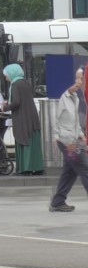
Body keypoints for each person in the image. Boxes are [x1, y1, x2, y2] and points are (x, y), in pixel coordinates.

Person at [49, 66, 88, 212]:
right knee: (85, 168)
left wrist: (81, 136)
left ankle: (58, 201)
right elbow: (58, 122)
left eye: (81, 78)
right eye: (78, 79)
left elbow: (74, 123)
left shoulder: (75, 99)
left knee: (69, 172)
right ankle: (58, 202)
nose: (80, 82)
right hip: (67, 142)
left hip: (71, 140)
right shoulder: (65, 98)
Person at [3, 63, 44, 175]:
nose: (6, 78)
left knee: (24, 141)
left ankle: (25, 169)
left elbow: (16, 102)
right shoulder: (25, 83)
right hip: (32, 118)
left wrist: (5, 107)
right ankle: (37, 167)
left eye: (6, 75)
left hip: (23, 118)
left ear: (12, 73)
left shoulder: (15, 84)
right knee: (33, 142)